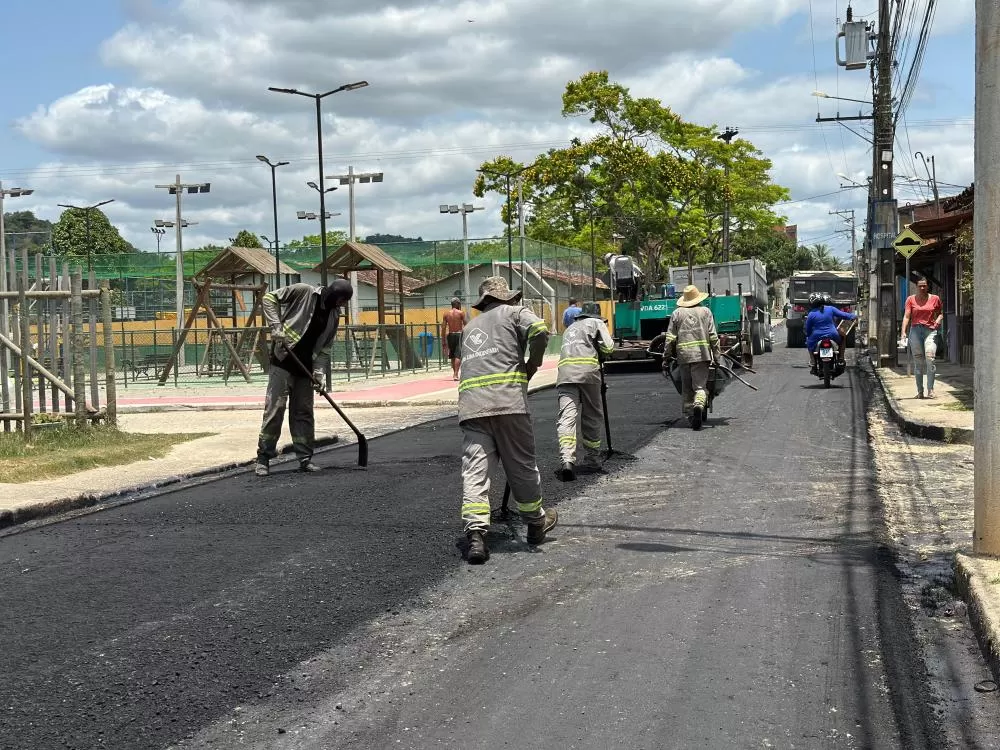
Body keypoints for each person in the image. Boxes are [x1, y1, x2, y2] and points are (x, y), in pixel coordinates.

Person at [458, 276, 558, 564]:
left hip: (473, 408)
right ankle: (535, 523)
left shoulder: (469, 327)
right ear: (507, 298)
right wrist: (532, 364)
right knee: (521, 466)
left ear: (483, 301)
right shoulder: (514, 312)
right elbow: (539, 330)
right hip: (509, 403)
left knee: (475, 471)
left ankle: (476, 533)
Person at [255, 279, 354, 477]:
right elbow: (268, 298)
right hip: (283, 361)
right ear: (337, 296)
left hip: (305, 369)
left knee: (303, 413)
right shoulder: (304, 292)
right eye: (343, 301)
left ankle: (305, 459)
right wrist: (276, 326)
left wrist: (319, 373)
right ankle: (264, 458)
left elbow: (325, 347)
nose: (343, 305)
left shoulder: (334, 314)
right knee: (275, 410)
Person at [555, 302, 615, 481]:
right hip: (588, 373)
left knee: (566, 418)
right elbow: (609, 347)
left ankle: (566, 460)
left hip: (565, 375)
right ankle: (592, 459)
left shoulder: (569, 329)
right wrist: (601, 352)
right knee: (591, 416)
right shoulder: (596, 323)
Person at [662, 285, 721, 429]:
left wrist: (666, 357)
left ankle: (691, 417)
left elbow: (670, 338)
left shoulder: (676, 313)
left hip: (683, 357)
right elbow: (713, 337)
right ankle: (699, 404)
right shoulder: (706, 312)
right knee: (700, 387)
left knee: (687, 389)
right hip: (702, 356)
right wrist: (717, 357)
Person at [900, 276, 944, 398]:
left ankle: (930, 390)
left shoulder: (935, 298)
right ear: (916, 287)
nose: (922, 288)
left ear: (928, 286)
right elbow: (907, 316)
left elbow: (940, 313)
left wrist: (938, 321)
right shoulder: (910, 299)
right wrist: (903, 332)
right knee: (918, 363)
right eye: (920, 286)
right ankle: (920, 391)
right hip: (915, 331)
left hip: (930, 331)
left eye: (924, 285)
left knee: (930, 359)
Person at [804, 291, 856, 371]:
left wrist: (808, 335)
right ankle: (841, 357)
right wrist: (854, 316)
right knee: (843, 337)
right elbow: (844, 315)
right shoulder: (831, 309)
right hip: (833, 334)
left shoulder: (811, 314)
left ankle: (813, 360)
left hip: (816, 336)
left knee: (808, 340)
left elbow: (808, 329)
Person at [441, 297, 467, 381]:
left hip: (450, 335)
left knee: (452, 355)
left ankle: (455, 373)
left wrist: (443, 340)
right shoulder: (461, 313)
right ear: (457, 304)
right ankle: (455, 374)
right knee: (458, 355)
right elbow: (466, 325)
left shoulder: (446, 314)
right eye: (459, 304)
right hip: (459, 335)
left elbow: (444, 328)